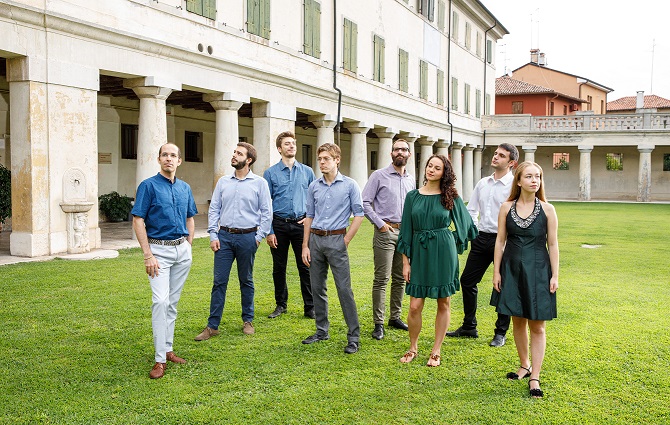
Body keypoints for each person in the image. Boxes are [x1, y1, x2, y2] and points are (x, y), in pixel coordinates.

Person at [397, 154, 477, 366]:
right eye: (429, 166)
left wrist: (452, 239)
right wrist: (406, 262)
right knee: (415, 305)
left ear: (444, 173)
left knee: (444, 301)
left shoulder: (450, 196)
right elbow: (406, 230)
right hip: (419, 253)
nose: (431, 170)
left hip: (443, 252)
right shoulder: (413, 196)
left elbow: (467, 224)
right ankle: (413, 347)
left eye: (437, 168)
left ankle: (436, 350)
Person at [491, 161, 559, 398]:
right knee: (517, 320)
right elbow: (500, 241)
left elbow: (553, 244)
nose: (534, 180)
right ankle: (524, 365)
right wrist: (496, 272)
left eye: (537, 176)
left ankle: (535, 376)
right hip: (511, 269)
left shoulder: (548, 210)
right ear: (518, 181)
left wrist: (555, 275)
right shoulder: (506, 207)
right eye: (529, 176)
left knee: (537, 325)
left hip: (539, 271)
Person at [131, 143, 197, 379]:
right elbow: (138, 220)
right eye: (165, 155)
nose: (169, 158)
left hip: (182, 252)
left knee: (172, 303)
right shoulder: (148, 186)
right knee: (160, 301)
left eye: (173, 155)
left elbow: (190, 218)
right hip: (158, 252)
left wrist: (188, 245)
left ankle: (168, 349)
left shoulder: (184, 188)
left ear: (179, 161)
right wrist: (148, 255)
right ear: (159, 159)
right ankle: (160, 360)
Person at [195, 142, 272, 340]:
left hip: (248, 237)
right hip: (224, 238)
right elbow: (214, 209)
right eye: (234, 152)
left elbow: (267, 212)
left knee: (246, 280)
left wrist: (258, 237)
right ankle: (212, 326)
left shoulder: (260, 183)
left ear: (249, 160)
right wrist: (213, 235)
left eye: (239, 153)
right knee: (219, 282)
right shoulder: (223, 182)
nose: (234, 155)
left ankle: (248, 320)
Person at [447, 143, 519, 347]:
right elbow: (472, 210)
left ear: (511, 163)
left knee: (503, 285)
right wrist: (475, 232)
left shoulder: (515, 186)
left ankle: (500, 332)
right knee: (467, 280)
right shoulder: (483, 183)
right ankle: (469, 326)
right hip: (481, 238)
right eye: (495, 153)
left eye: (501, 155)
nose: (495, 157)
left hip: (505, 240)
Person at [300, 143, 364, 354]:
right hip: (315, 241)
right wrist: (305, 245)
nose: (322, 162)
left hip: (337, 240)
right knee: (317, 288)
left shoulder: (350, 185)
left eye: (326, 159)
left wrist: (346, 240)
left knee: (344, 289)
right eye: (320, 159)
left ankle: (353, 337)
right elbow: (309, 216)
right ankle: (321, 331)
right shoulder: (314, 186)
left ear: (337, 160)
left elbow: (359, 214)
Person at [361, 139, 415, 340]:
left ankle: (395, 317)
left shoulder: (411, 180)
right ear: (391, 153)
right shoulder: (379, 176)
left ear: (409, 154)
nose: (400, 152)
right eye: (396, 149)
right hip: (385, 232)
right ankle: (379, 323)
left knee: (400, 278)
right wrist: (380, 224)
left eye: (404, 149)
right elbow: (364, 202)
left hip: (405, 233)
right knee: (382, 279)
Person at [263, 131, 315, 319]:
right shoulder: (270, 173)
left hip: (301, 225)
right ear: (279, 149)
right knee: (279, 267)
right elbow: (265, 204)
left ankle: (310, 307)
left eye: (293, 143)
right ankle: (281, 304)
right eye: (287, 143)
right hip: (279, 225)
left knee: (305, 265)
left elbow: (314, 199)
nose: (291, 146)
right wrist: (269, 231)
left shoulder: (307, 172)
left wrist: (310, 218)